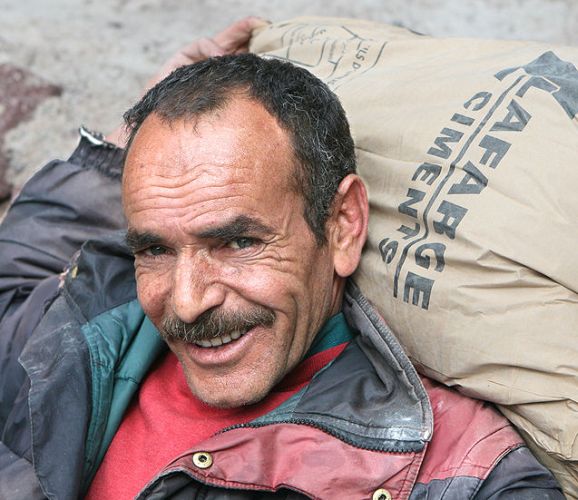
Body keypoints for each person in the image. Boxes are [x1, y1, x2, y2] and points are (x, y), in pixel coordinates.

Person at [0, 17, 564, 500]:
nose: (189, 301)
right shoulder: (77, 330)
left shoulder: (456, 472)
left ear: (343, 225)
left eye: (238, 243)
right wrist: (137, 139)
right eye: (154, 249)